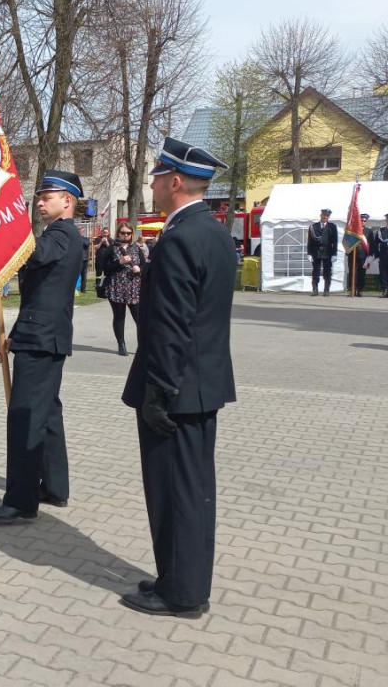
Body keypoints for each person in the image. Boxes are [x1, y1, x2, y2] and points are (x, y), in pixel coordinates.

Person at [119, 137, 236, 619]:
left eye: (156, 176)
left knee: (175, 492)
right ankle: (179, 578)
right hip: (202, 384)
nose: (151, 183)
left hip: (176, 389)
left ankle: (182, 593)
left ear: (174, 182)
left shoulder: (179, 237)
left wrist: (158, 391)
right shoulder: (213, 231)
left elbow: (170, 323)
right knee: (193, 489)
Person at [0, 170, 84, 523]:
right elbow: (38, 297)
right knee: (48, 415)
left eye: (47, 196)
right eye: (38, 197)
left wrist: (2, 223)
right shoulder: (61, 234)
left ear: (67, 201)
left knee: (25, 418)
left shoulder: (64, 234)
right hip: (38, 335)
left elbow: (36, 254)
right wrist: (14, 334)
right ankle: (54, 486)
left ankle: (21, 500)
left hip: (41, 341)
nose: (40, 202)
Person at [101, 225, 145, 356]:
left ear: (132, 234)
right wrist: (119, 262)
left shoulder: (136, 248)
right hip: (116, 286)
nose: (125, 235)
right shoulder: (111, 249)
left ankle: (143, 345)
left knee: (139, 317)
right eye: (123, 233)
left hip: (134, 287)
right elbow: (105, 268)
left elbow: (144, 265)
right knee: (119, 316)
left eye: (128, 233)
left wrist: (139, 269)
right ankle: (121, 344)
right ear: (118, 233)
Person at [307, 208, 337, 297]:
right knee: (316, 271)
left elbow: (335, 241)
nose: (325, 217)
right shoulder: (313, 227)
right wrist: (309, 253)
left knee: (327, 272)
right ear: (321, 215)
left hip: (328, 252)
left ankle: (326, 290)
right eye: (324, 215)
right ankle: (315, 289)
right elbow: (310, 241)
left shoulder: (332, 226)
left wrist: (334, 254)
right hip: (316, 252)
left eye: (327, 216)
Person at [346, 213, 370, 297]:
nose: (363, 222)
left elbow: (370, 244)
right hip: (353, 255)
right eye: (361, 220)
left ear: (366, 221)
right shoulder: (353, 230)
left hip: (363, 255)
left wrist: (370, 256)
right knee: (353, 272)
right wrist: (348, 251)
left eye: (364, 221)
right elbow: (347, 242)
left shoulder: (368, 231)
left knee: (362, 273)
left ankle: (360, 289)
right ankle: (352, 289)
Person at [374, 214, 388, 297]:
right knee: (383, 274)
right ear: (386, 221)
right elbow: (375, 244)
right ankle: (385, 290)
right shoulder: (381, 231)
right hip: (384, 256)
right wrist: (377, 255)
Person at [78, 226, 90, 294]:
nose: (80, 233)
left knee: (84, 275)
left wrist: (80, 238)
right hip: (77, 259)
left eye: (81, 232)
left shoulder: (86, 239)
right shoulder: (75, 239)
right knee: (75, 275)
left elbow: (86, 244)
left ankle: (83, 289)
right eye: (79, 232)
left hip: (85, 259)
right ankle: (75, 289)